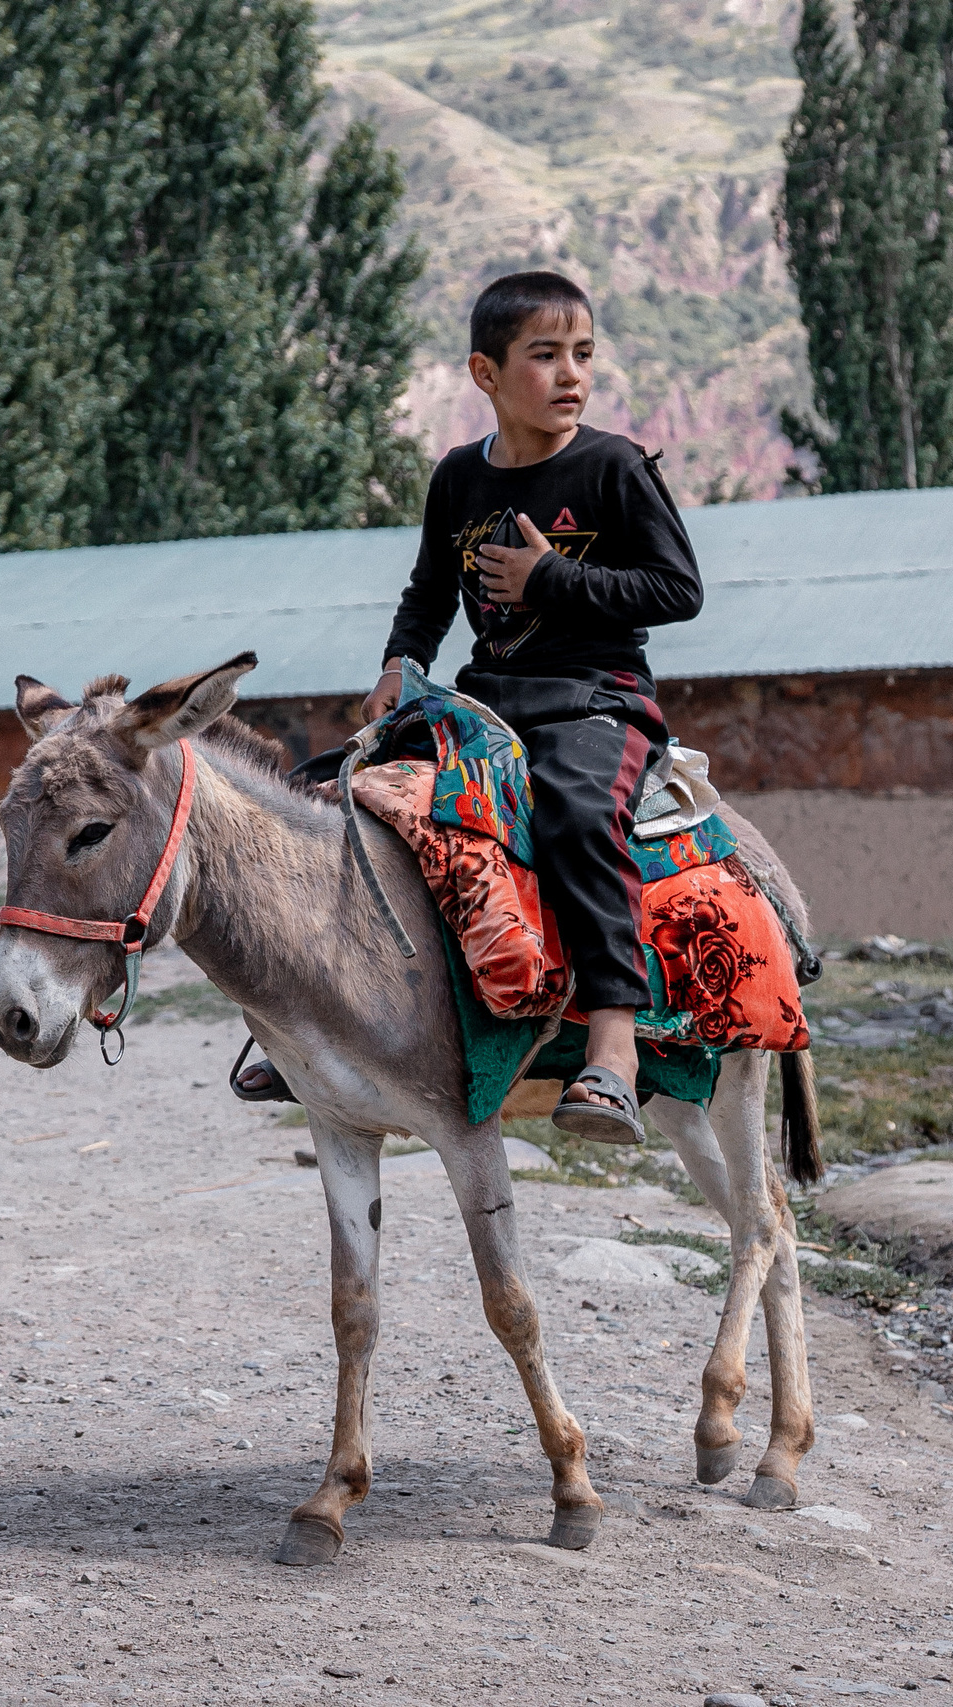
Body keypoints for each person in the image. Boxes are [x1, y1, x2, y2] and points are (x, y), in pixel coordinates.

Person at [281, 270, 703, 1143]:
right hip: (490, 700)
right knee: (344, 790)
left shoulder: (613, 466)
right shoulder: (457, 480)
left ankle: (614, 1047)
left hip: (598, 698)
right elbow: (430, 593)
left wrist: (553, 577)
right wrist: (403, 661)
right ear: (486, 373)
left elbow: (678, 588)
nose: (570, 374)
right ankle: (317, 1018)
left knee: (580, 816)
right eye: (545, 356)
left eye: (583, 354)